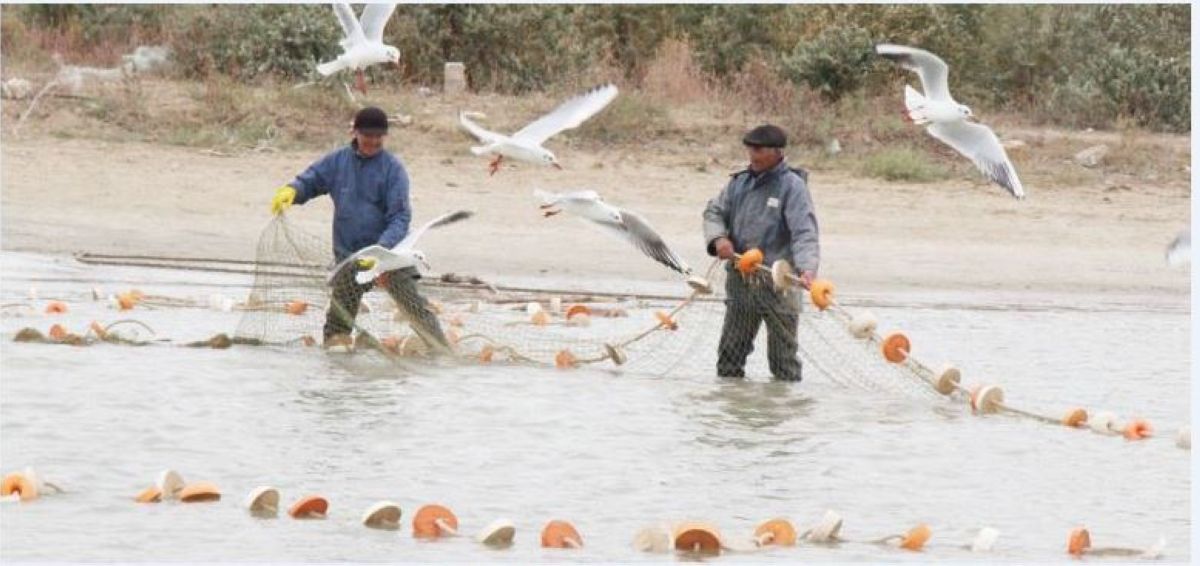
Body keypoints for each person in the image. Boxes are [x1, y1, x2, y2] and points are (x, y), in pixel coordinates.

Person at [270, 106, 451, 353]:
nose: (373, 142)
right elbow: (311, 181)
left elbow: (400, 216)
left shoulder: (393, 169)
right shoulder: (337, 162)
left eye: (378, 137)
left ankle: (441, 352)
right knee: (338, 320)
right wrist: (292, 191)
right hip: (349, 256)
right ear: (355, 132)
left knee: (416, 308)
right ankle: (336, 359)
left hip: (388, 257)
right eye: (368, 136)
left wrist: (380, 251)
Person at [701, 124, 820, 381]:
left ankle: (783, 414)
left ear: (777, 152)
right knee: (730, 357)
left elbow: (804, 233)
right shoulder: (739, 182)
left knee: (783, 363)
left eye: (758, 150)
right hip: (741, 282)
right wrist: (719, 239)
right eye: (749, 149)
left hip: (780, 284)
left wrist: (808, 269)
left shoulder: (792, 186)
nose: (752, 155)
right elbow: (714, 212)